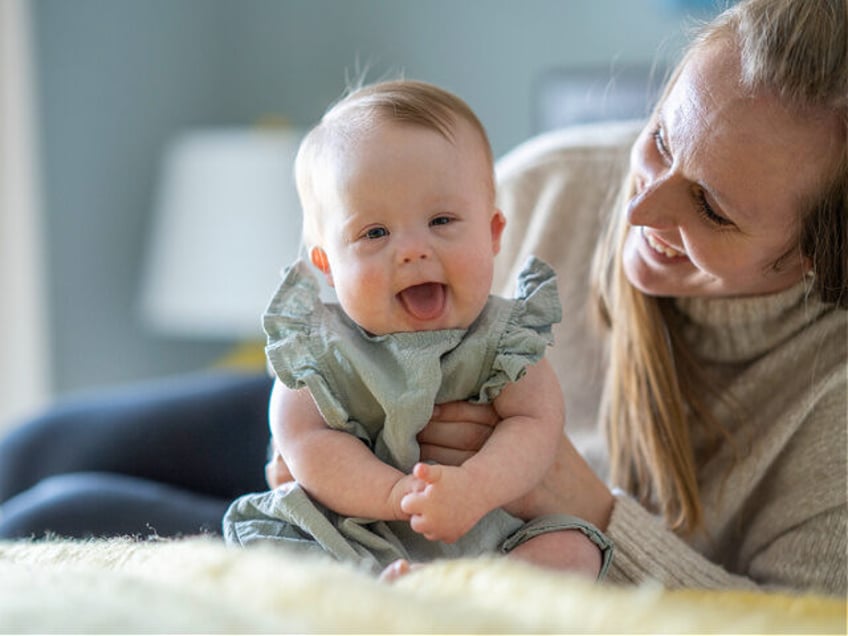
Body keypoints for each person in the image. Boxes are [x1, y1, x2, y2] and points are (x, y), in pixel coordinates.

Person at [0, 0, 844, 597]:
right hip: (356, 420)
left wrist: (584, 506)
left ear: (816, 258)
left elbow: (789, 621)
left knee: (58, 513)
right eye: (660, 138)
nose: (638, 206)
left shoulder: (830, 407)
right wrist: (302, 427)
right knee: (35, 447)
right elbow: (339, 271)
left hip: (451, 521)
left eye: (712, 208)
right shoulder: (563, 179)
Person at [223, 79, 612, 578]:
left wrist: (475, 486)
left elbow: (535, 425)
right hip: (354, 528)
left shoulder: (506, 342)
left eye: (442, 220)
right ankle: (369, 590)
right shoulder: (323, 351)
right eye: (375, 233)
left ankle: (477, 599)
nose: (412, 250)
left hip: (487, 530)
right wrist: (393, 493)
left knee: (573, 549)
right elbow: (301, 438)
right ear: (327, 265)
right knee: (275, 543)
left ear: (493, 234)